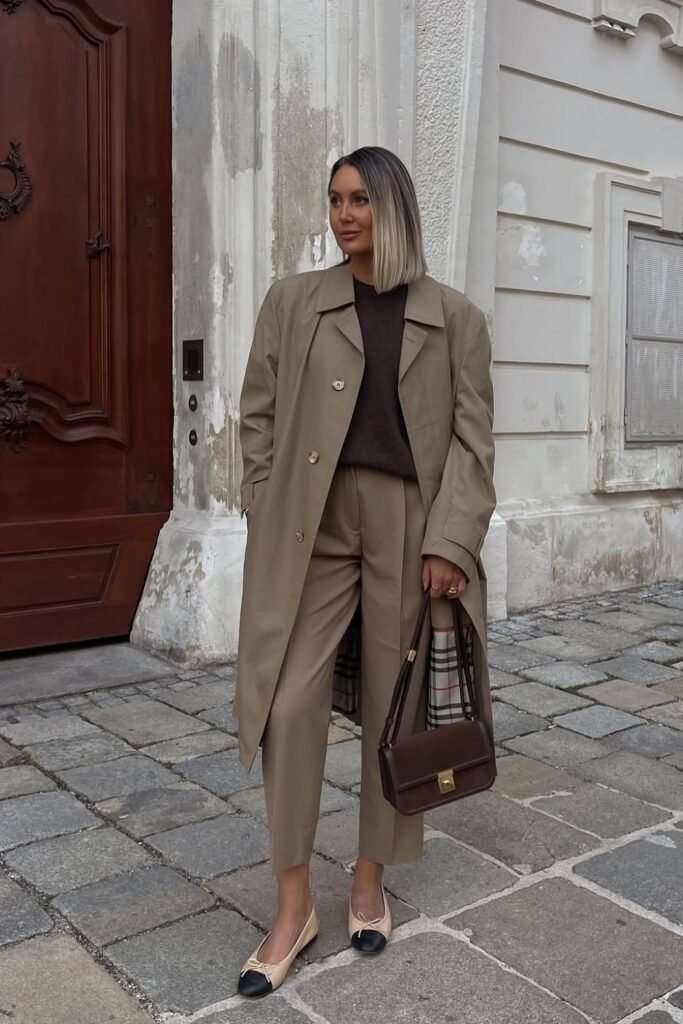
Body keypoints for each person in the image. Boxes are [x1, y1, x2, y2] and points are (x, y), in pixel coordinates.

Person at [235, 146, 495, 997]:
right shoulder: (293, 302)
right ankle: (291, 906)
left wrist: (450, 541)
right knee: (288, 698)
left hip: (407, 523)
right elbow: (259, 414)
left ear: (396, 209)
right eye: (335, 198)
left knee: (394, 702)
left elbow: (471, 443)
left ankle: (369, 881)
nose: (344, 214)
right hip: (310, 521)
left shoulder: (453, 317)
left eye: (362, 200)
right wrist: (265, 500)